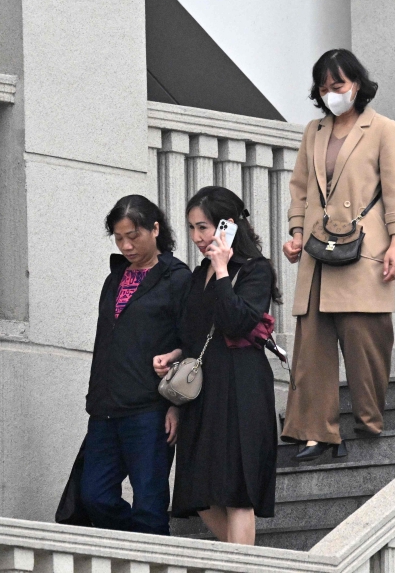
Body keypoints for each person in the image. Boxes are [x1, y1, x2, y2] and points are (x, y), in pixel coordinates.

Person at [280, 49, 395, 461]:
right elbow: (300, 188)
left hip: (364, 249)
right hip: (319, 252)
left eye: (337, 85)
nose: (331, 93)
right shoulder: (313, 131)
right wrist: (296, 233)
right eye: (324, 87)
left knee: (365, 339)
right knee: (313, 345)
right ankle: (316, 432)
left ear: (356, 83)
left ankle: (368, 419)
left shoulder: (382, 128)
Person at [153, 186, 281, 545]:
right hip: (203, 390)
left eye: (204, 227)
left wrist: (223, 270)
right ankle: (246, 564)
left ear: (228, 226)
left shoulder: (256, 271)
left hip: (242, 388)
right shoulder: (198, 275)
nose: (196, 237)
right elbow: (192, 334)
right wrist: (174, 360)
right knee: (200, 492)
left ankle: (241, 566)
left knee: (237, 492)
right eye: (192, 228)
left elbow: (236, 322)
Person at [82, 195, 191, 535]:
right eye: (118, 237)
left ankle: (154, 554)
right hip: (106, 407)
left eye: (134, 236)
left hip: (151, 408)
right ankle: (141, 543)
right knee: (93, 496)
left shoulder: (177, 278)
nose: (126, 245)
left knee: (149, 501)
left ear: (155, 229)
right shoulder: (114, 278)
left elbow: (195, 341)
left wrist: (177, 407)